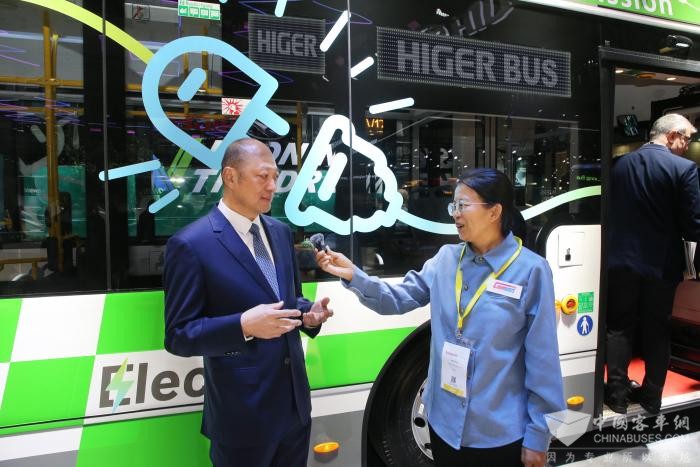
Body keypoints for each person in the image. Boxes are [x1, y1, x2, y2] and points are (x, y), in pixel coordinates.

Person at [317, 168, 564, 467]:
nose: (455, 214)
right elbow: (398, 298)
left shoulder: (531, 271)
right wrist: (354, 275)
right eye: (453, 205)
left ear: (494, 211)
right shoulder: (446, 259)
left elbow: (543, 360)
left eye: (463, 205)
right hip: (442, 424)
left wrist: (538, 435)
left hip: (498, 433)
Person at [163, 138, 333, 467]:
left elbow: (287, 299)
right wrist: (243, 326)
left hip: (294, 409)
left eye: (275, 177)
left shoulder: (280, 233)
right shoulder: (191, 244)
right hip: (241, 417)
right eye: (263, 176)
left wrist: (308, 314)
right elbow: (179, 335)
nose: (272, 186)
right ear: (230, 177)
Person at [605, 113, 700, 415]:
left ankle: (617, 395)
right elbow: (694, 225)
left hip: (620, 260)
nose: (687, 145)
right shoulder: (684, 169)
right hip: (661, 264)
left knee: (618, 327)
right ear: (671, 135)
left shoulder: (619, 165)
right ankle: (651, 397)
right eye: (686, 138)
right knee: (657, 329)